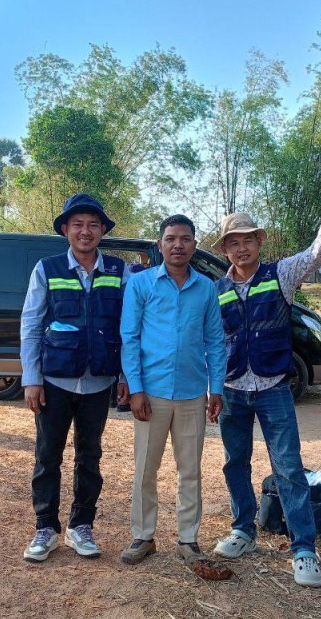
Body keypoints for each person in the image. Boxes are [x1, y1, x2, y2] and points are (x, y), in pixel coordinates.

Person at [209, 171, 321, 589]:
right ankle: (243, 530)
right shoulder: (215, 290)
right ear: (225, 249)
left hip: (273, 389)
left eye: (248, 239)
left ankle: (304, 548)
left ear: (259, 242)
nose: (241, 247)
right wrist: (210, 390)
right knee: (235, 462)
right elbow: (209, 343)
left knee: (287, 467)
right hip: (232, 390)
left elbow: (320, 251)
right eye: (233, 242)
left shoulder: (281, 275)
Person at [19, 193, 130, 563]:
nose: (86, 231)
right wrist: (31, 378)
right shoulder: (47, 269)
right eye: (78, 224)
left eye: (93, 225)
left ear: (102, 231)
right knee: (47, 456)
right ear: (66, 229)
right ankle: (45, 528)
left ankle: (81, 526)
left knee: (90, 456)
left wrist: (126, 375)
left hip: (99, 382)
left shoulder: (119, 271)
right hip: (54, 381)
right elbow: (31, 325)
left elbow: (128, 328)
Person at [119, 215, 226, 567]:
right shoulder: (141, 284)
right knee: (145, 468)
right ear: (160, 244)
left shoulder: (206, 288)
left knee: (190, 469)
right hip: (151, 393)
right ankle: (143, 536)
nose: (177, 245)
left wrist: (216, 388)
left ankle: (188, 539)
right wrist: (136, 389)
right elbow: (130, 337)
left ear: (194, 244)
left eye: (185, 238)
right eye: (170, 238)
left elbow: (215, 341)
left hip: (193, 393)